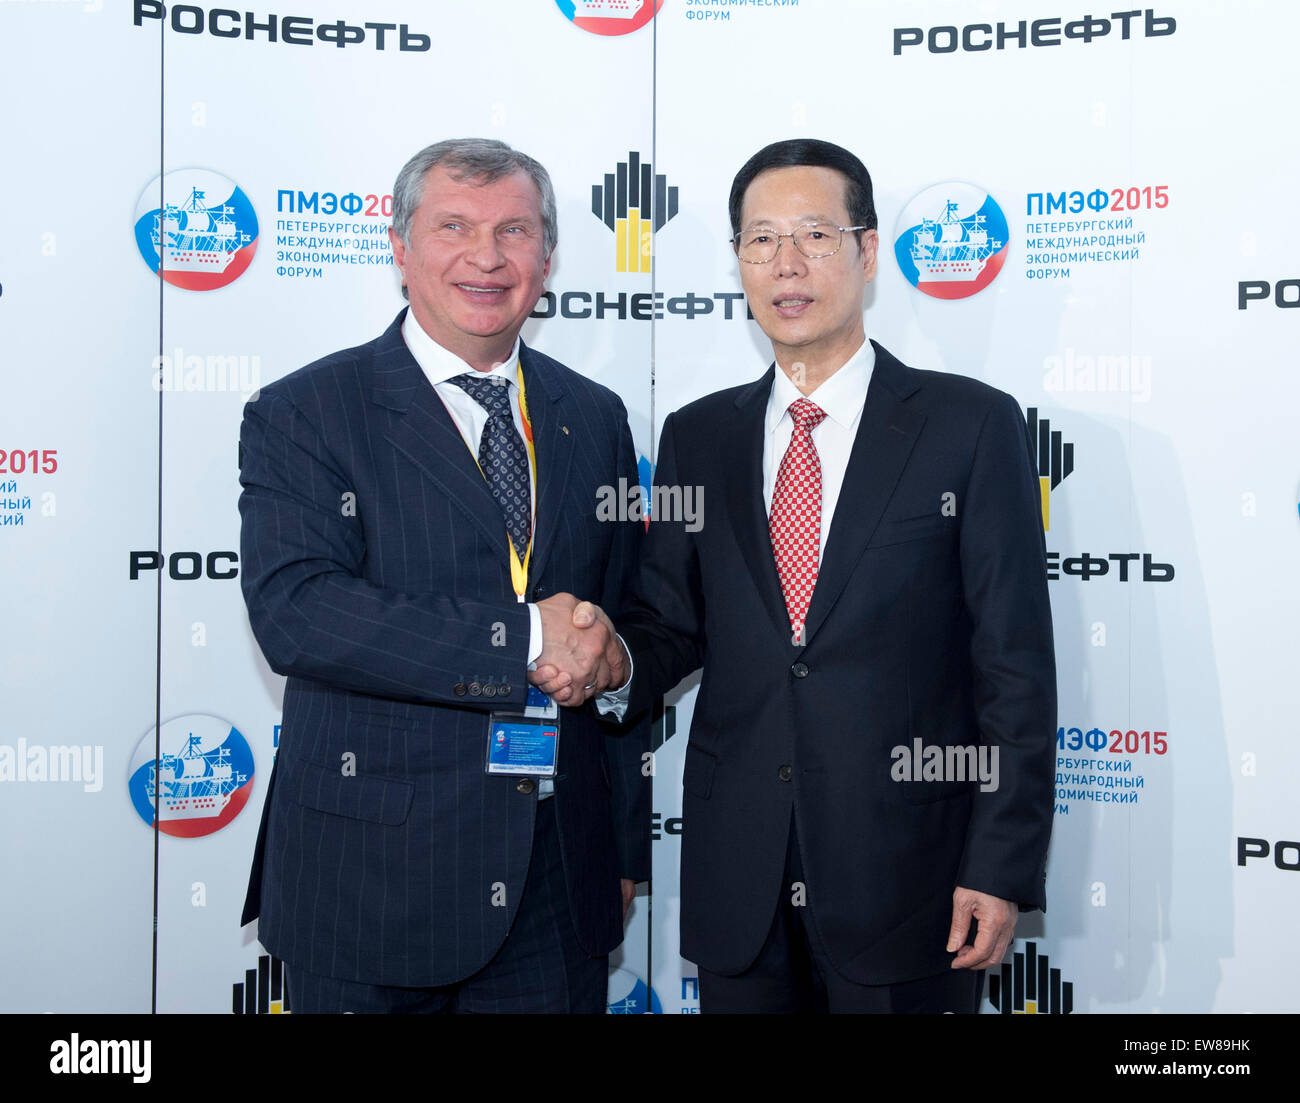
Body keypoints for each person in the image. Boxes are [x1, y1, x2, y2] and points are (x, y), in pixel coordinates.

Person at [538, 137, 1056, 1013]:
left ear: (867, 250)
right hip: (739, 874)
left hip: (911, 880)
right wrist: (613, 658)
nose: (787, 264)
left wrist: (999, 865)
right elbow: (670, 622)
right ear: (738, 261)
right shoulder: (701, 436)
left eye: (815, 235)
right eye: (760, 239)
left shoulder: (967, 425)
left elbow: (1013, 662)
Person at [238, 137, 649, 1014]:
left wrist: (620, 850)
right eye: (454, 226)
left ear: (547, 255)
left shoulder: (595, 415)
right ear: (398, 247)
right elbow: (299, 613)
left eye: (515, 230)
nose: (487, 257)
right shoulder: (306, 411)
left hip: (555, 886)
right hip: (370, 886)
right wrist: (527, 637)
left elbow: (616, 622)